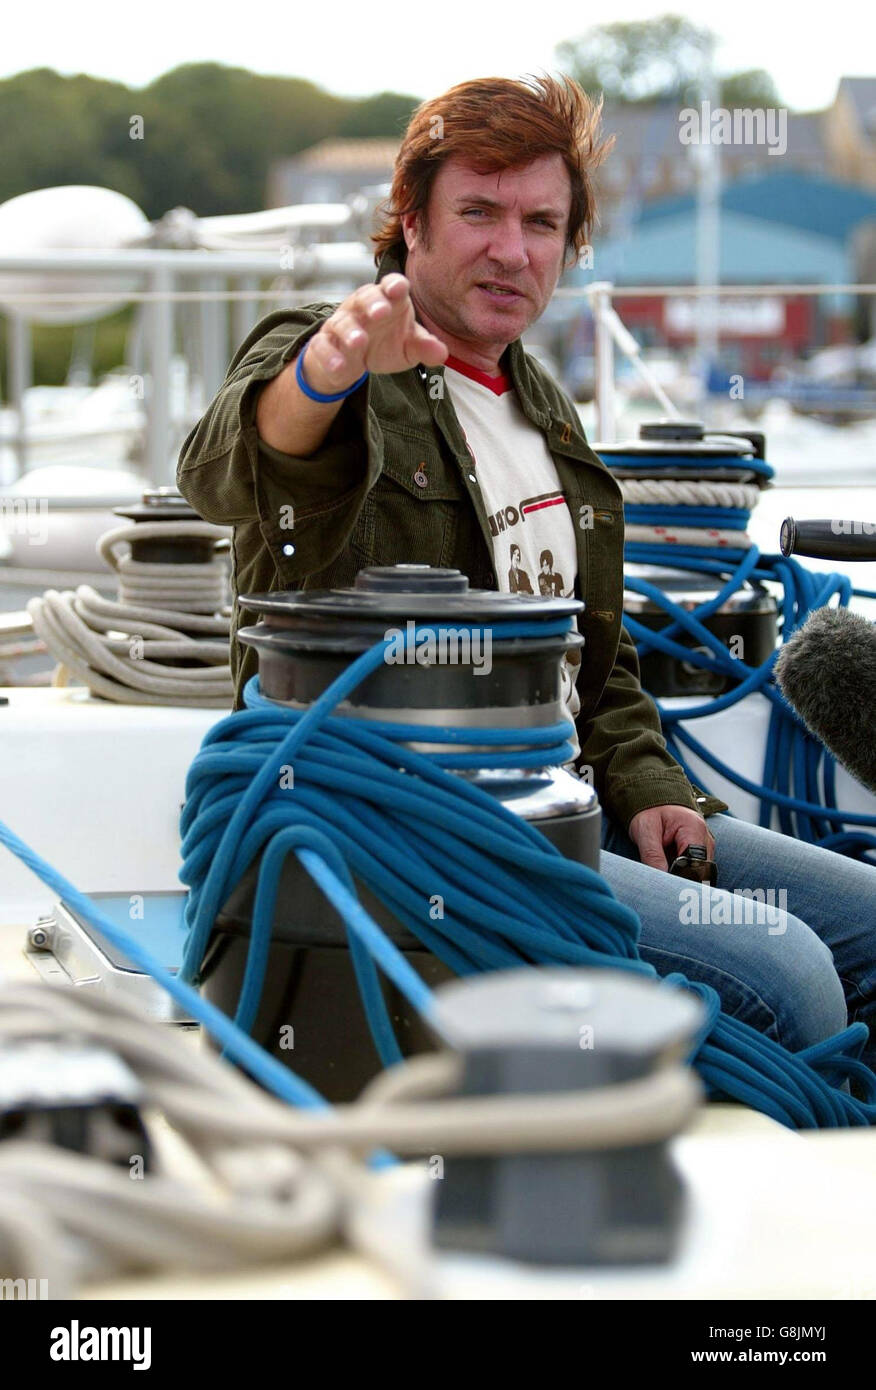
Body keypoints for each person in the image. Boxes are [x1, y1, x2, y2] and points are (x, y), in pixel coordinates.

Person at [177, 74, 875, 1070]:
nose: (511, 249)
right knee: (790, 981)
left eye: (542, 222)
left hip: (578, 803)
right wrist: (329, 368)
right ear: (410, 222)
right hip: (421, 832)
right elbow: (234, 462)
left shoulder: (545, 406)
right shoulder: (334, 352)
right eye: (479, 212)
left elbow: (597, 661)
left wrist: (650, 788)